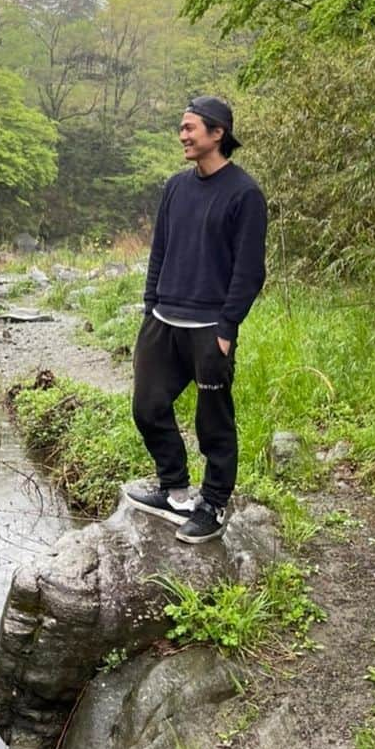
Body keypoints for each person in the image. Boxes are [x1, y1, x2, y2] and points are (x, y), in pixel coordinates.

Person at [126, 96, 267, 543]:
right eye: (181, 128)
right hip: (164, 319)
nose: (183, 135)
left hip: (210, 328)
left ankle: (214, 503)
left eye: (190, 128)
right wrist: (150, 304)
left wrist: (227, 329)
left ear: (217, 133)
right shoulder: (176, 187)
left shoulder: (245, 194)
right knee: (147, 406)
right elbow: (160, 250)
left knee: (214, 421)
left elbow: (249, 272)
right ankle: (174, 489)